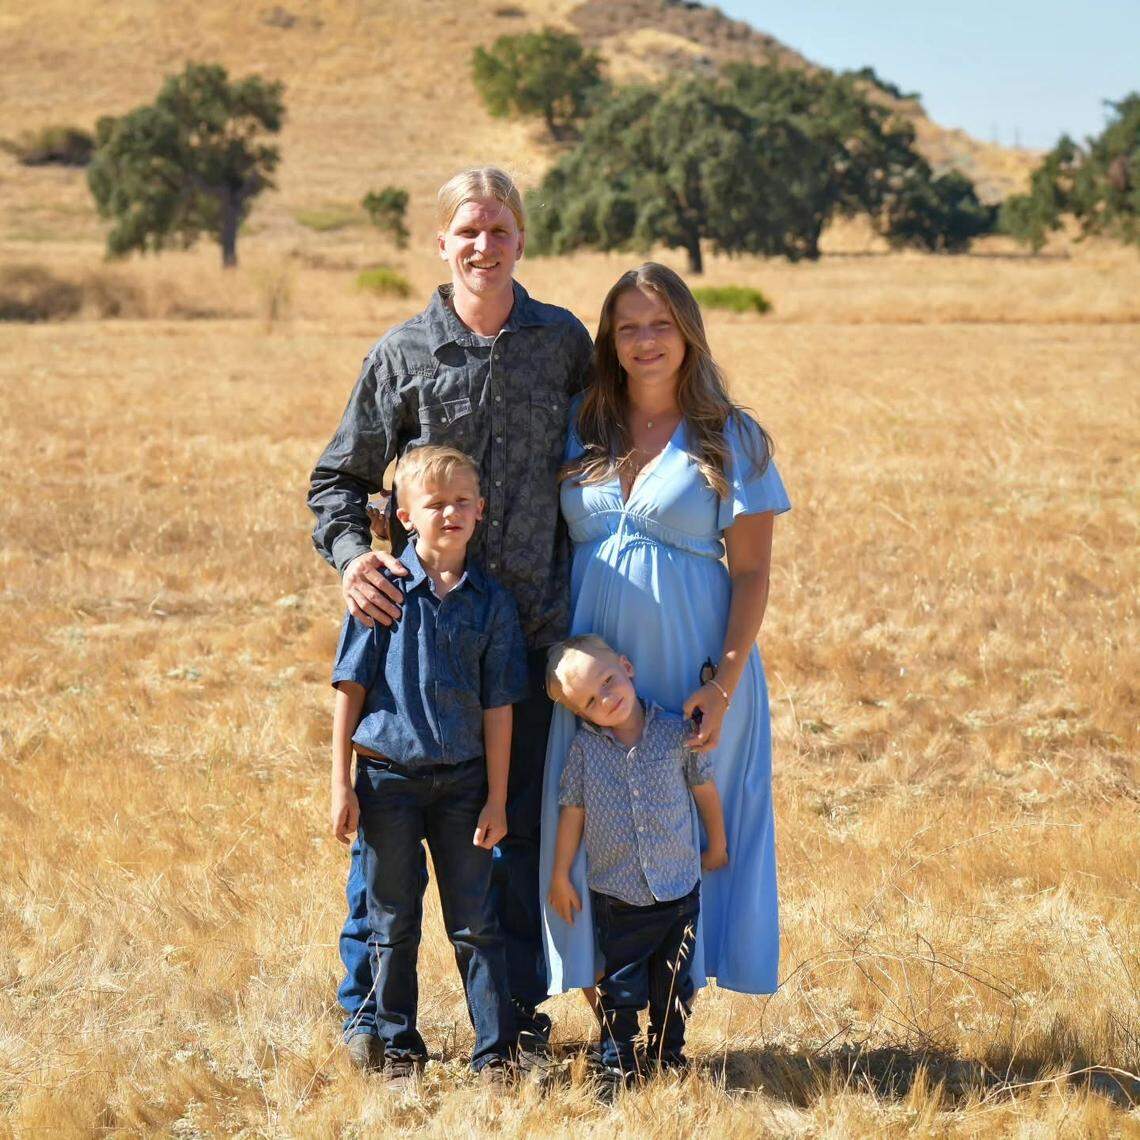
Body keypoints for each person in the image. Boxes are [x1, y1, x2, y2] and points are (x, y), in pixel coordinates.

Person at [308, 167, 594, 1064]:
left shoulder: (564, 343)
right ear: (442, 243)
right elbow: (336, 482)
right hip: (416, 652)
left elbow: (610, 451)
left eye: (500, 229)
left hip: (531, 642)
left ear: (521, 239)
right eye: (468, 230)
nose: (484, 245)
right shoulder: (403, 354)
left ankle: (510, 1026)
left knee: (508, 840)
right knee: (386, 864)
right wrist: (356, 557)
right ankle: (371, 1021)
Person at [539, 262, 792, 999]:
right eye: (629, 328)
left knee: (683, 815)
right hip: (595, 672)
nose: (646, 340)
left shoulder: (730, 435)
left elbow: (751, 573)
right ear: (610, 342)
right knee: (587, 816)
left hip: (694, 667)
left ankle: (670, 1007)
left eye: (660, 324)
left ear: (687, 332)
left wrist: (723, 683)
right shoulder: (582, 424)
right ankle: (609, 1004)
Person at [329, 445, 528, 1084]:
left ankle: (496, 1052)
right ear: (404, 517)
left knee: (476, 922)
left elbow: (500, 706)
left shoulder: (492, 604)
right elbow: (349, 689)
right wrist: (341, 783)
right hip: (388, 781)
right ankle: (399, 1047)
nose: (451, 512)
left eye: (462, 501)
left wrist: (498, 797)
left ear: (481, 511)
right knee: (392, 917)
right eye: (435, 503)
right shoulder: (381, 590)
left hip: (465, 784)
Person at [545, 635, 727, 1080]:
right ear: (580, 714)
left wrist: (717, 843)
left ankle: (668, 1058)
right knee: (620, 987)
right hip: (618, 895)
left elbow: (704, 791)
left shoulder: (674, 733)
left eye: (608, 680)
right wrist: (560, 873)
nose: (606, 699)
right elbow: (573, 812)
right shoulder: (585, 751)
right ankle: (619, 1064)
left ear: (626, 667)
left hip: (678, 889)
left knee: (673, 987)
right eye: (590, 700)